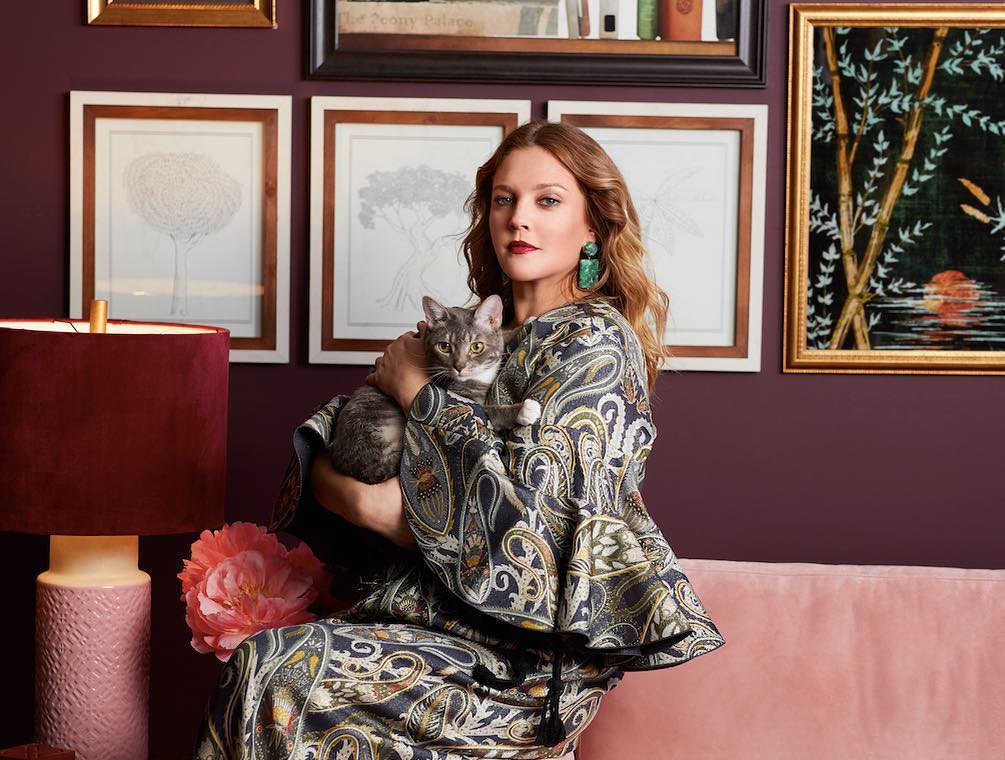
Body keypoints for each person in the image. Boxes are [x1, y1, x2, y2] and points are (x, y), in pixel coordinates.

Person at [195, 120, 724, 759]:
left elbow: (528, 539)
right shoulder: (470, 330)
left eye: (547, 200)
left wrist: (416, 393)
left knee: (280, 675)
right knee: (263, 665)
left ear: (593, 226)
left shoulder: (596, 346)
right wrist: (359, 496)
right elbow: (341, 444)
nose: (519, 218)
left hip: (522, 663)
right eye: (504, 199)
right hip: (419, 619)